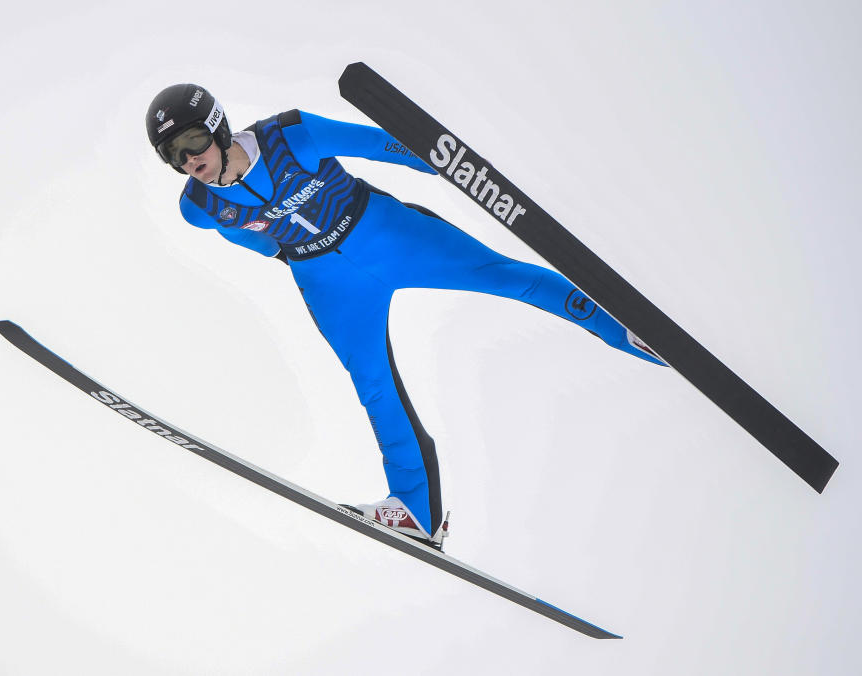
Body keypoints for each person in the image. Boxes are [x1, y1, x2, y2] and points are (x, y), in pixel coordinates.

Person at [145, 83, 666, 551]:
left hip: (385, 233)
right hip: (326, 281)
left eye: (192, 141)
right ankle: (416, 510)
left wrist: (446, 161)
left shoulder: (291, 136)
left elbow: (384, 146)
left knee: (506, 276)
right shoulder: (199, 207)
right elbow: (249, 237)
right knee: (372, 383)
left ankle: (625, 328)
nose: (188, 159)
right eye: (173, 153)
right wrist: (287, 254)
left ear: (216, 126)